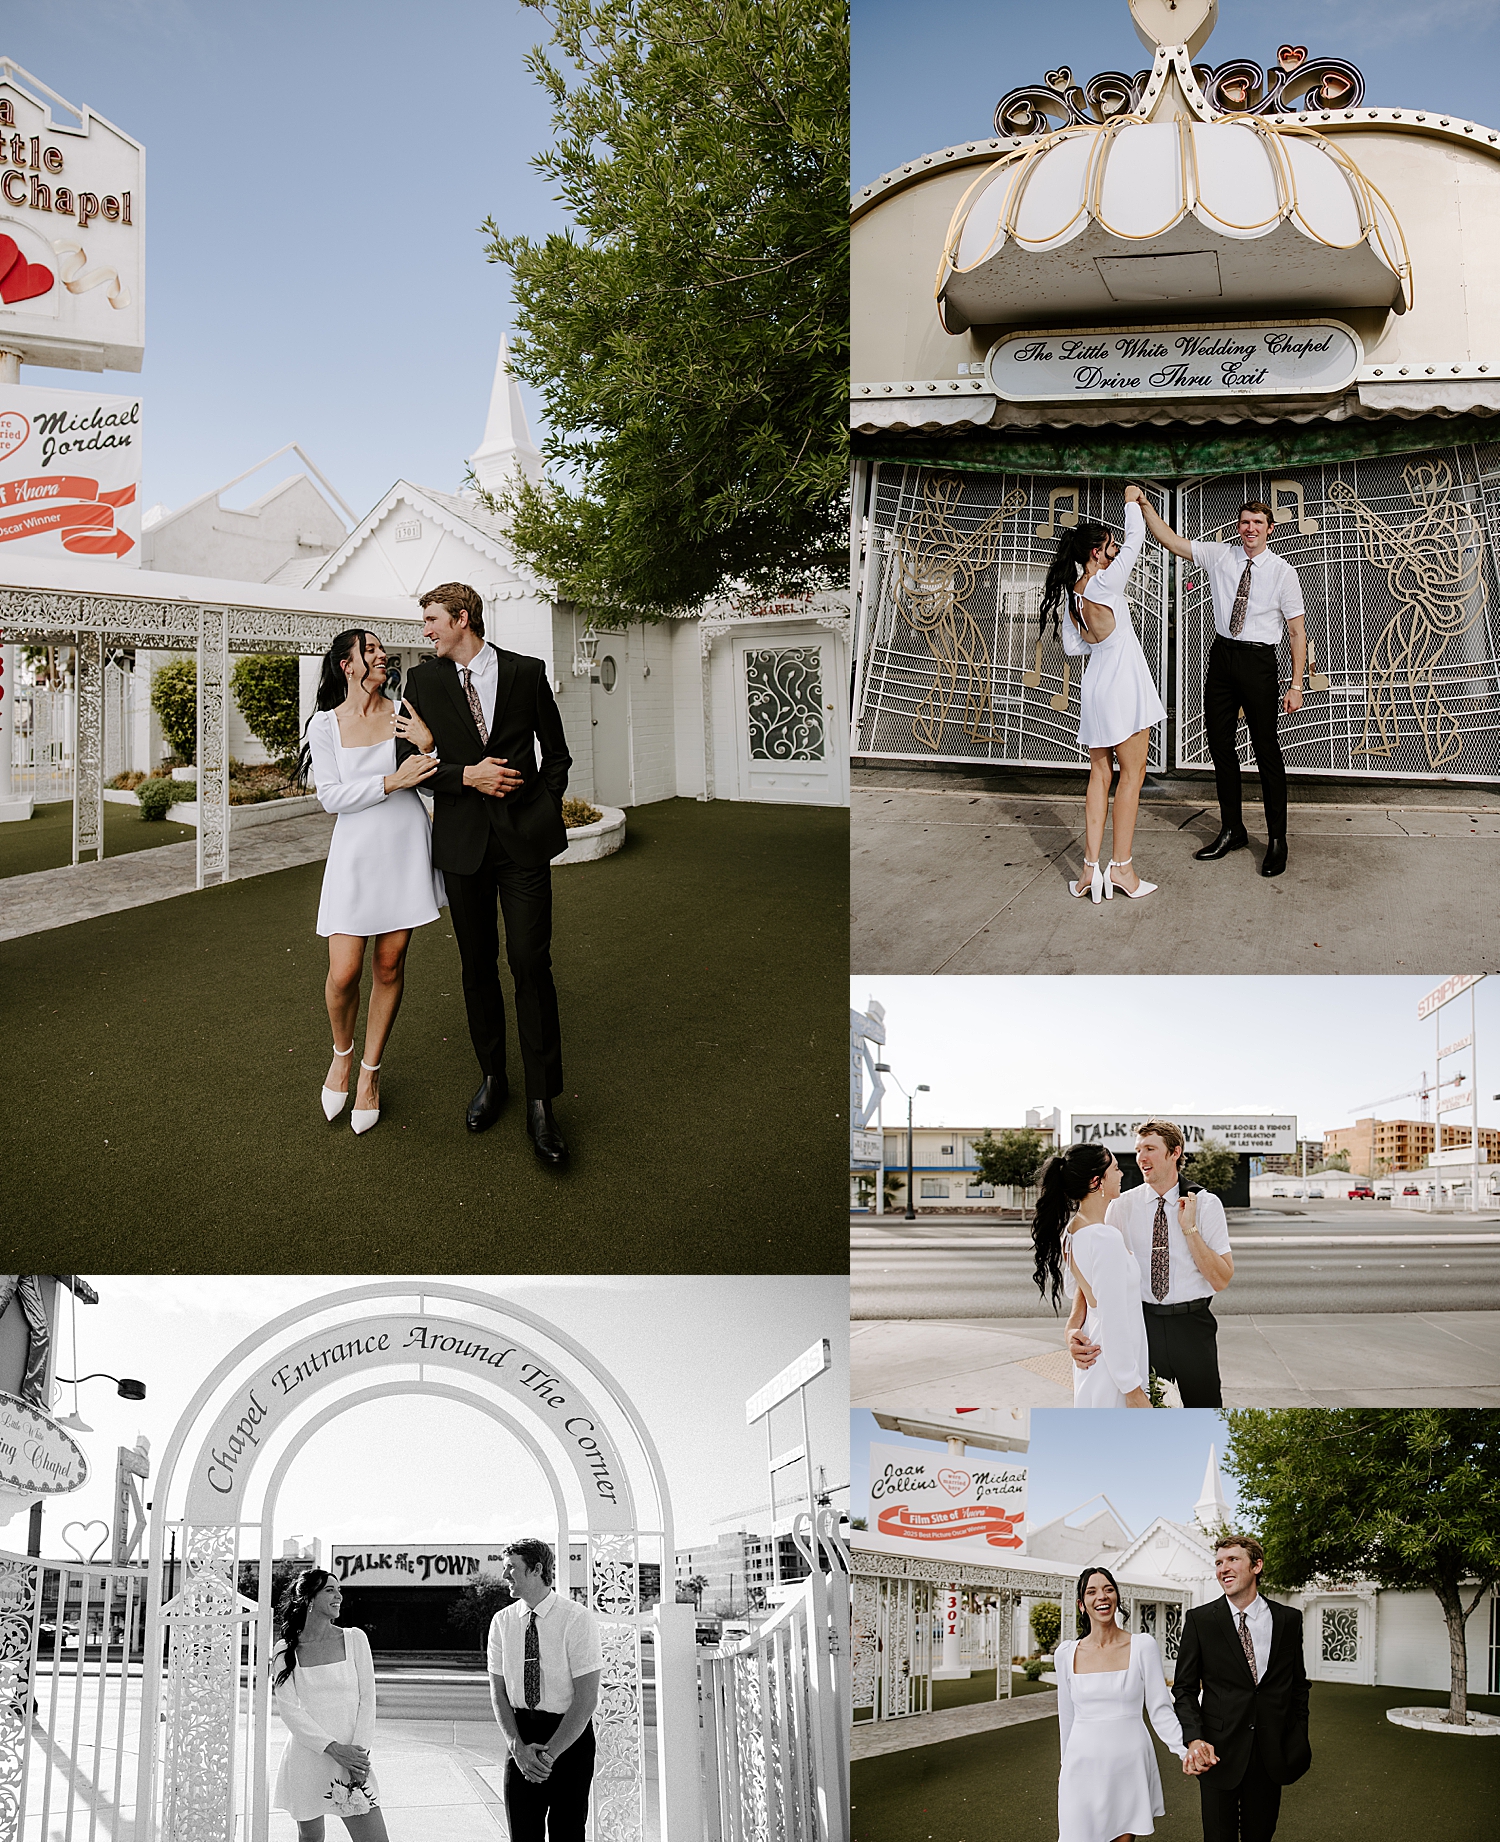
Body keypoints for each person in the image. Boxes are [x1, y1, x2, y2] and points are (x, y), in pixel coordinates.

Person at [395, 584, 573, 1167]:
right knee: (477, 967)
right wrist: (464, 776)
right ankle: (493, 1078)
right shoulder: (420, 684)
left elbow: (558, 753)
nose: (425, 630)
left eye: (431, 620)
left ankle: (543, 1101)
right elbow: (409, 766)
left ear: (461, 619)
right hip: (462, 846)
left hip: (523, 845)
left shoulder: (527, 672)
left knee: (529, 962)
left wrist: (542, 804)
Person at [302, 630, 443, 1136]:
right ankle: (342, 1054)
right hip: (355, 852)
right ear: (347, 665)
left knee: (389, 962)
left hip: (405, 844)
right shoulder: (325, 724)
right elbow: (332, 797)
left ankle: (370, 1073)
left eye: (382, 650)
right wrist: (391, 781)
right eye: (372, 651)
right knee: (344, 972)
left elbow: (431, 769)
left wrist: (428, 746)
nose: (382, 657)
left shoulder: (405, 710)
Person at [1134, 492, 1307, 878]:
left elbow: (1296, 632)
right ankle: (1233, 830)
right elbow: (1172, 541)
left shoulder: (1283, 572)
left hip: (1260, 661)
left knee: (1266, 750)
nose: (1251, 529)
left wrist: (1296, 685)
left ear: (1270, 530)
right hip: (1223, 657)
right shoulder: (1220, 555)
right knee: (1220, 745)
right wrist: (1147, 508)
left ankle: (1277, 839)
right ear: (1238, 526)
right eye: (1245, 522)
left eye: (1258, 523)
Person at [1040, 485, 1167, 903]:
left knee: (1099, 775)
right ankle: (1123, 870)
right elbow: (1136, 541)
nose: (1113, 554)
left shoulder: (1073, 597)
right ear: (1096, 552)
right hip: (1122, 684)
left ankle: (1088, 872)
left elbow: (1076, 647)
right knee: (1132, 776)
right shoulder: (1104, 583)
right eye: (1107, 548)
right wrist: (1132, 501)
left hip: (1095, 686)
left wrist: (1098, 635)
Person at [1070, 1121, 1234, 1409]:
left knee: (1204, 1409)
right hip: (1143, 1326)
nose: (1141, 1158)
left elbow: (1221, 1280)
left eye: (1150, 1149)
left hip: (1193, 1326)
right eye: (1138, 1150)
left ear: (1174, 1152)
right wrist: (1073, 1327)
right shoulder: (1121, 1206)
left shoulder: (1207, 1204)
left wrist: (1189, 1229)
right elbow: (1095, 1276)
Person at [1173, 1536, 1312, 1842]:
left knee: (1260, 1836)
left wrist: (1298, 1732)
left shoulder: (1288, 1620)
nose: (1224, 1568)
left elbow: (1298, 1685)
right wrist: (1195, 1739)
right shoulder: (1199, 1621)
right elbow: (1184, 1688)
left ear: (1257, 1566)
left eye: (1233, 1560)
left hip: (1269, 1754)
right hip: (1217, 1754)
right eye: (1219, 1563)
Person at [1056, 1565, 1190, 1842]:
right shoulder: (1066, 1654)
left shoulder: (1143, 1645)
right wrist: (1064, 1766)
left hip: (1128, 1764)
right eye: (1091, 1592)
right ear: (1082, 1605)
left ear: (1116, 1597)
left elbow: (1160, 1709)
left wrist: (1185, 1750)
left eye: (1108, 1589)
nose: (1101, 1597)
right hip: (1080, 1767)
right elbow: (1066, 1717)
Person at [486, 1539, 602, 1841]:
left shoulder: (576, 1618)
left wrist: (549, 1756)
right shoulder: (501, 1622)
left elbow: (587, 1696)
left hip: (570, 1740)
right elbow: (498, 1691)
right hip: (521, 1739)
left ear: (537, 1569)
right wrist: (517, 1748)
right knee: (523, 1834)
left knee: (568, 1833)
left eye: (511, 1568)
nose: (504, 1575)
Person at [271, 1569, 389, 1840]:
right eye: (329, 1590)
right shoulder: (284, 1649)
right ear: (309, 1598)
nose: (339, 1596)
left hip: (353, 1757)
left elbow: (367, 1701)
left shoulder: (354, 1638)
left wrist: (356, 1759)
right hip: (308, 1757)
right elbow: (289, 1710)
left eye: (339, 1590)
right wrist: (334, 1749)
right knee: (311, 1839)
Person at [1032, 1143, 1151, 1408]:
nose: (1122, 1175)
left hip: (1094, 1352)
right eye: (1116, 1169)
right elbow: (1113, 1319)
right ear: (1097, 1181)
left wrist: (1072, 1327)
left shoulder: (1073, 1231)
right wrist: (1132, 1390)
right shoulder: (1104, 1237)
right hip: (1112, 1366)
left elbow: (1080, 1291)